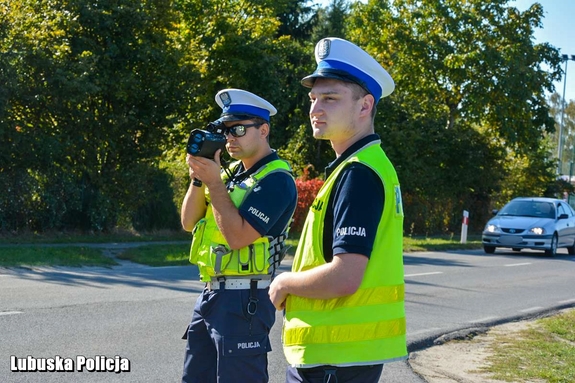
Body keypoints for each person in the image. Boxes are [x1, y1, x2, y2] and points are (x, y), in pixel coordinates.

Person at [268, 37, 408, 382]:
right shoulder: (363, 166)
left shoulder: (358, 173)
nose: (316, 108)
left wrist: (285, 281)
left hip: (334, 361)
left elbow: (346, 276)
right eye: (314, 98)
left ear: (365, 106)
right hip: (339, 359)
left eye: (330, 98)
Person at [180, 88, 298, 383]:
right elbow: (188, 221)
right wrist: (198, 177)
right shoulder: (231, 174)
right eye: (225, 131)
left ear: (264, 130)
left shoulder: (277, 180)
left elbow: (238, 237)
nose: (230, 138)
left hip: (245, 299)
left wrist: (214, 183)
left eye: (239, 129)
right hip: (211, 295)